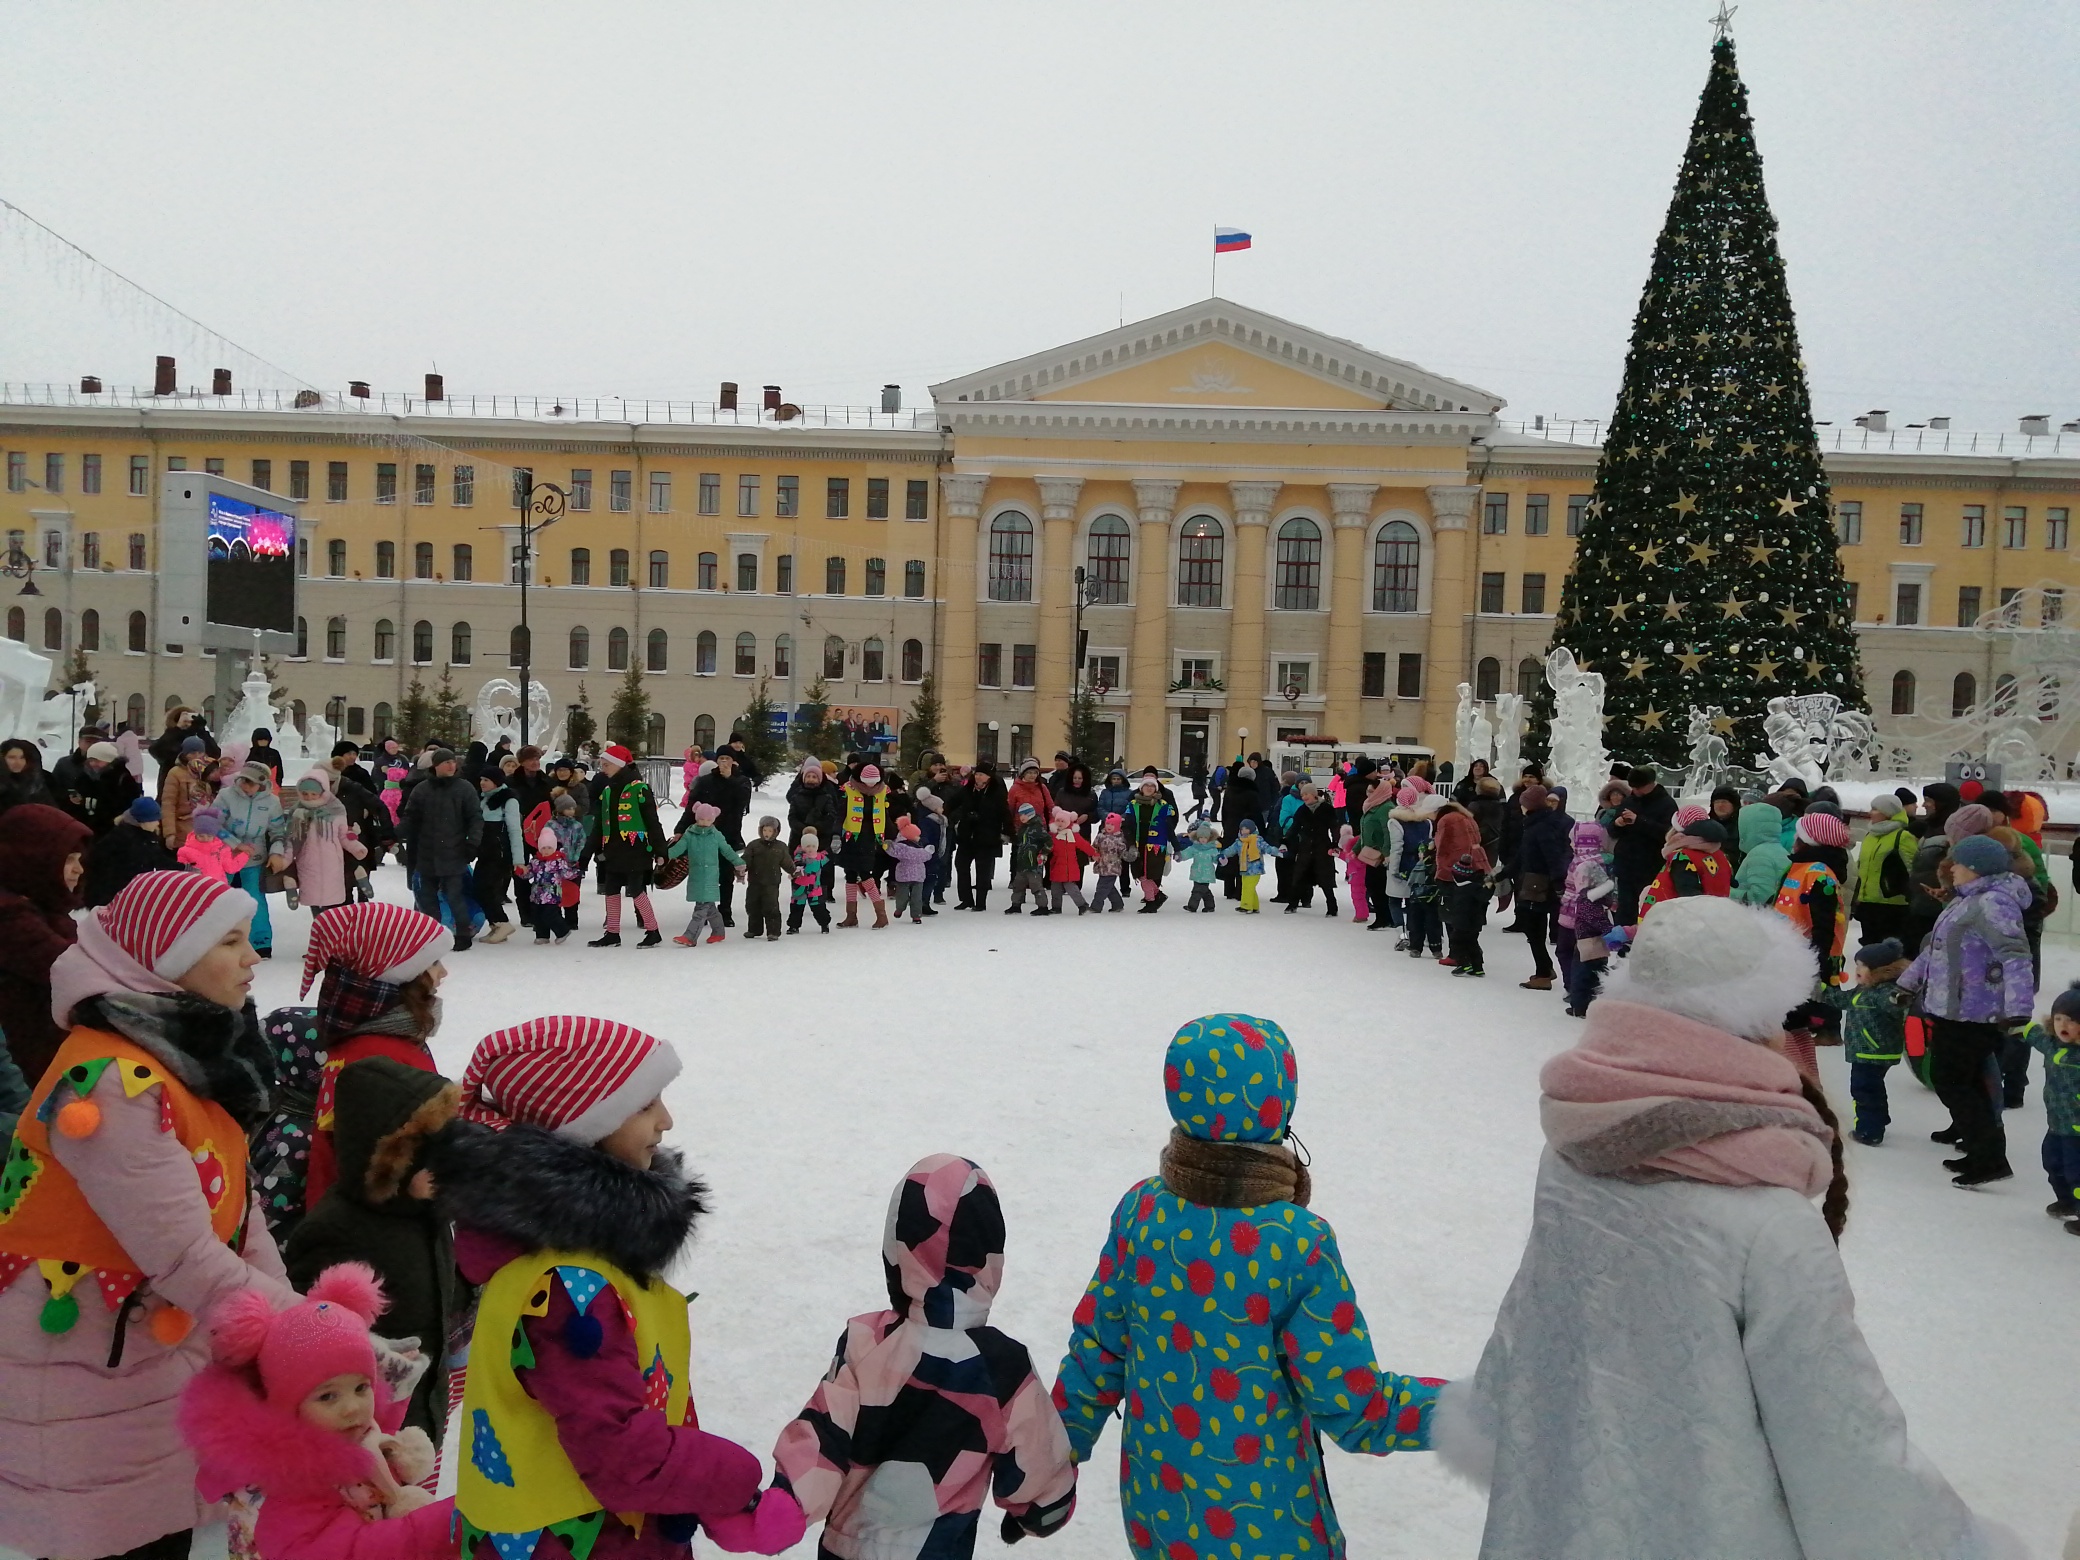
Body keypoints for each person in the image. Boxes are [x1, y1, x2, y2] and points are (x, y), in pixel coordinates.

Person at [1437, 896, 2018, 1560]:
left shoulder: (1578, 1150)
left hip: (1561, 1505)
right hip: (1709, 1524)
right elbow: (1837, 1431)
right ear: (1755, 1026)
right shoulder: (1766, 1222)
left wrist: (1495, 1411)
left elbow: (1536, 1309)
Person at [1056, 1014, 1442, 1559]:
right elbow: (1357, 1409)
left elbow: (1097, 1350)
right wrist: (1477, 1409)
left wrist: (1050, 1459)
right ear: (1279, 1103)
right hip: (1272, 1528)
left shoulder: (1142, 1212)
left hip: (1158, 1518)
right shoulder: (1295, 1243)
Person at [0, 871, 292, 1560]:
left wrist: (301, 1324)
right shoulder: (113, 1077)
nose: (252, 957)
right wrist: (306, 1333)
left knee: (164, 1526)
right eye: (228, 941)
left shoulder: (188, 1060)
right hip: (86, 1370)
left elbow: (238, 1216)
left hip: (151, 1352)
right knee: (115, 1539)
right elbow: (185, 1254)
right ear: (165, 958)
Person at [434, 1016, 777, 1560]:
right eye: (644, 1106)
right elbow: (620, 1455)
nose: (667, 1121)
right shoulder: (570, 1289)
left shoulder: (571, 1254)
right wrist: (732, 1478)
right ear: (580, 1129)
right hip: (581, 1539)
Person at [772, 1155, 1076, 1558]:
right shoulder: (1002, 1369)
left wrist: (785, 1504)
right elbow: (1039, 1464)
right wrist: (1040, 1513)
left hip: (848, 1548)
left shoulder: (867, 1342)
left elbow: (823, 1435)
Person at [178, 1264, 452, 1560]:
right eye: (327, 1396)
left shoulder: (354, 1440)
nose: (352, 1407)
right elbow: (351, 1551)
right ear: (289, 1407)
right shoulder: (287, 1488)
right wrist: (452, 1521)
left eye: (361, 1387)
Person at [283, 1058, 462, 1441]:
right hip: (362, 1427)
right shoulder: (337, 1230)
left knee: (415, 1498)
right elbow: (307, 1344)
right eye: (424, 1149)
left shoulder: (426, 1214)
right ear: (388, 1159)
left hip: (422, 1410)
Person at [1898, 831, 2035, 1189]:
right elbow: (1934, 951)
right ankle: (1982, 1153)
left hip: (1976, 1011)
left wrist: (2018, 1008)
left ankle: (1989, 1157)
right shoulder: (1966, 899)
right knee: (1966, 1080)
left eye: (1958, 862)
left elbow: (2015, 956)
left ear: (1975, 868)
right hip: (1951, 1006)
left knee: (1952, 1079)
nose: (1952, 868)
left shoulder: (1993, 904)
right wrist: (1907, 983)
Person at [299, 902, 454, 1210]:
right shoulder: (379, 1056)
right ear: (396, 973)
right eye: (433, 962)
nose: (444, 973)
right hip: (371, 1232)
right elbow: (381, 1169)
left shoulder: (371, 1041)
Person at [0, 802, 93, 1091]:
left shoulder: (43, 908)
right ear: (35, 859)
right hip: (29, 1074)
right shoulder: (10, 918)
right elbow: (73, 969)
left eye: (79, 859)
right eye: (67, 860)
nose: (78, 869)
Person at [1814, 939, 1913, 1146]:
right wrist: (1818, 988)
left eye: (1862, 966)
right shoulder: (1862, 990)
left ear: (1881, 971)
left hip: (1874, 1050)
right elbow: (1840, 1000)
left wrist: (1898, 999)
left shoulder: (1884, 991)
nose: (1857, 969)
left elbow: (1894, 1001)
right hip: (1867, 1050)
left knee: (1864, 1089)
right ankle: (1877, 1119)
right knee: (1872, 1087)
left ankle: (1869, 1131)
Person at [587, 744, 665, 948]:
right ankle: (612, 932)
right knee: (611, 889)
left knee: (636, 889)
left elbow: (652, 821)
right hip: (613, 849)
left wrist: (660, 851)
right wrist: (586, 853)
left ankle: (653, 930)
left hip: (635, 848)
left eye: (606, 764)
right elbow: (599, 825)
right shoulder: (607, 791)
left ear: (619, 765)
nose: (603, 769)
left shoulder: (640, 789)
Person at [219, 760, 290, 959]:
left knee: (255, 898)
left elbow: (278, 832)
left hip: (254, 856)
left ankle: (261, 942)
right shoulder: (226, 796)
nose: (245, 786)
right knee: (221, 897)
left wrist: (276, 852)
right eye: (243, 780)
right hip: (226, 854)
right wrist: (234, 844)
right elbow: (213, 824)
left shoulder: (271, 802)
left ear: (262, 783)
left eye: (251, 783)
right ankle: (217, 938)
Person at [1510, 785, 1572, 991]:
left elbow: (1553, 856)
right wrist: (1502, 873)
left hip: (1540, 884)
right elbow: (1521, 856)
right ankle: (1544, 969)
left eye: (1523, 804)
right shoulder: (1536, 824)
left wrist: (1558, 884)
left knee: (1534, 929)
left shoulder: (1541, 827)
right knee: (1532, 928)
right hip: (1534, 882)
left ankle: (1544, 973)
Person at [285, 769, 369, 920]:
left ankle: (336, 940)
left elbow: (343, 835)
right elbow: (291, 839)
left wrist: (357, 847)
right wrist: (285, 858)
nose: (309, 798)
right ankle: (321, 937)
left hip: (332, 865)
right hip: (308, 864)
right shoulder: (296, 813)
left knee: (335, 912)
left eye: (313, 794)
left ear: (323, 792)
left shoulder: (336, 810)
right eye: (305, 794)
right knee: (317, 910)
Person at [2029, 983, 2080, 1228]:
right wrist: (2017, 1025)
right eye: (2058, 1018)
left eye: (2070, 1020)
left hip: (2078, 1129)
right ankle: (2067, 1200)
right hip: (2057, 1123)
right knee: (2052, 1162)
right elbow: (2035, 1035)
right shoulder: (2054, 1046)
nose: (2063, 1025)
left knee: (2077, 1173)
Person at [1557, 820, 1616, 1017]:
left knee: (1576, 958)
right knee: (1586, 959)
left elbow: (1585, 895)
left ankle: (1578, 997)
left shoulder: (1583, 864)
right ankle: (1580, 996)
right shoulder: (1600, 861)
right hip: (1586, 917)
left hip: (1576, 915)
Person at [666, 801, 744, 947]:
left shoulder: (716, 835)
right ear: (696, 818)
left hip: (710, 876)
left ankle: (690, 937)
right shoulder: (689, 834)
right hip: (696, 875)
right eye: (701, 819)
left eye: (708, 820)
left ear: (713, 819)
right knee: (709, 907)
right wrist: (664, 856)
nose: (704, 822)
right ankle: (718, 932)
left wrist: (738, 862)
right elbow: (678, 849)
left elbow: (727, 850)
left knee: (701, 908)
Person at [688, 749, 753, 926]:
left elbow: (742, 802)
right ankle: (705, 911)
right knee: (705, 875)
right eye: (721, 758)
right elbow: (692, 806)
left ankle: (725, 912)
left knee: (725, 876)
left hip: (729, 834)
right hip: (705, 834)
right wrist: (681, 829)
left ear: (734, 761)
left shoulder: (742, 781)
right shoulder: (706, 780)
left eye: (728, 758)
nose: (724, 762)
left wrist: (730, 779)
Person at [1607, 764, 1677, 924]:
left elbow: (1668, 833)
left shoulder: (1666, 804)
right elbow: (1612, 830)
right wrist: (1618, 824)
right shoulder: (1630, 800)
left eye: (1639, 787)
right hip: (1626, 866)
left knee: (1648, 908)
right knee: (1625, 908)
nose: (1636, 791)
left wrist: (1639, 821)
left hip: (1650, 866)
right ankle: (1623, 940)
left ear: (1651, 784)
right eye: (1633, 787)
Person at [837, 762, 902, 929]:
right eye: (868, 781)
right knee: (850, 874)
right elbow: (840, 813)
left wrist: (891, 836)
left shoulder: (881, 792)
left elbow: (885, 816)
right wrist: (836, 835)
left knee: (866, 874)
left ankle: (881, 915)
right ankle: (851, 916)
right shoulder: (849, 789)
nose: (872, 784)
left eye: (874, 781)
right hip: (851, 837)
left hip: (869, 838)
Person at [83, 795, 179, 907]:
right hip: (114, 899)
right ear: (142, 820)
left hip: (129, 894)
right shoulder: (124, 839)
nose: (158, 823)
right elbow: (104, 868)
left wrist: (184, 868)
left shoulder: (145, 835)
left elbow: (157, 858)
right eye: (154, 819)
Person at [1436, 794, 1491, 975]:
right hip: (1476, 865)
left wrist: (1443, 869)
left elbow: (1444, 847)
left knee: (1457, 931)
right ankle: (1477, 966)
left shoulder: (1447, 820)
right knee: (1472, 939)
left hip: (1456, 865)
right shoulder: (1466, 817)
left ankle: (1461, 960)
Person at [1854, 793, 1918, 947]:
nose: (1871, 813)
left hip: (1892, 906)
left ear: (1888, 812)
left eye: (1875, 809)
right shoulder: (1870, 835)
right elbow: (1861, 866)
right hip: (1867, 903)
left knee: (1888, 954)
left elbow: (1912, 869)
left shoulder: (1903, 836)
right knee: (1868, 952)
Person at [469, 768, 524, 944]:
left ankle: (502, 923)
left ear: (497, 781)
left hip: (500, 853)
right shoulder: (484, 798)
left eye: (486, 780)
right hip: (485, 852)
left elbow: (515, 831)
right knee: (478, 888)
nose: (482, 783)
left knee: (487, 889)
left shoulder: (508, 799)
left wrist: (518, 860)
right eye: (481, 779)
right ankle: (496, 924)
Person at [950, 761, 1008, 910]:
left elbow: (1004, 813)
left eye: (982, 774)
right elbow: (952, 803)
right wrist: (943, 811)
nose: (978, 777)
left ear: (989, 777)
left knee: (982, 871)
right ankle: (966, 899)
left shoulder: (997, 792)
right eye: (977, 774)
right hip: (966, 836)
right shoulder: (968, 789)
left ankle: (981, 902)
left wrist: (1008, 832)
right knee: (961, 866)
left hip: (986, 837)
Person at [1280, 781, 1340, 915]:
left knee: (1325, 879)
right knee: (1298, 877)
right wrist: (1285, 840)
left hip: (1322, 847)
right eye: (1302, 795)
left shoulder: (1326, 808)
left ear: (1313, 794)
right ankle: (1292, 904)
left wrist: (1336, 843)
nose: (1304, 797)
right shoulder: (1302, 810)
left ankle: (1332, 907)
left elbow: (1334, 827)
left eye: (1306, 794)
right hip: (1305, 848)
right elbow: (1294, 827)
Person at [1125, 773, 1177, 912]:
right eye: (1146, 785)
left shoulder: (1163, 806)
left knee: (1150, 874)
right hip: (1137, 843)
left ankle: (1151, 901)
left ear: (1156, 789)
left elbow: (1169, 828)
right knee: (1139, 873)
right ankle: (1157, 895)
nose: (1149, 788)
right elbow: (1128, 826)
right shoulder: (1132, 805)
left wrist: (1176, 846)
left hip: (1155, 845)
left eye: (1152, 786)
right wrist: (1129, 844)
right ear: (1141, 788)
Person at [525, 819, 582, 944]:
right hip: (537, 894)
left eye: (549, 847)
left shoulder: (558, 861)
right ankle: (542, 935)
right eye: (543, 848)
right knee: (537, 915)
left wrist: (575, 872)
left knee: (549, 914)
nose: (546, 850)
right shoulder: (536, 861)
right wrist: (522, 872)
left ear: (554, 847)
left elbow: (566, 873)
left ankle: (562, 930)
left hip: (552, 893)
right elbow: (529, 874)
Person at [737, 814, 791, 942]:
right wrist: (740, 868)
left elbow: (787, 862)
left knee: (771, 906)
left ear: (776, 832)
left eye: (770, 831)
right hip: (755, 881)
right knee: (752, 905)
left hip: (771, 882)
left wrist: (794, 871)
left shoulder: (780, 847)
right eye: (765, 830)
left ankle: (773, 931)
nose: (767, 833)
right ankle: (754, 929)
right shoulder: (754, 845)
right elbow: (746, 859)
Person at [1730, 798, 1792, 908]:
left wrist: (1728, 893)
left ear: (1748, 828)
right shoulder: (1781, 851)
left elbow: (1759, 897)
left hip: (1755, 919)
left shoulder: (1759, 856)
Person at [160, 737, 218, 851]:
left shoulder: (211, 770)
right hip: (184, 830)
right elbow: (168, 804)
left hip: (208, 831)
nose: (197, 755)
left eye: (200, 752)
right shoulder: (176, 773)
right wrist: (170, 833)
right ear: (185, 754)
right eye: (192, 752)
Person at [1216, 817, 1280, 914]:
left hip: (1255, 869)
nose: (1244, 831)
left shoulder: (1257, 840)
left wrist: (1277, 851)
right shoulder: (1239, 842)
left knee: (1247, 887)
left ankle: (1246, 906)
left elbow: (1267, 848)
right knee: (1249, 887)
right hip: (1244, 868)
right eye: (1242, 829)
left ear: (1252, 829)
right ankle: (1254, 906)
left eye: (1247, 828)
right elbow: (1231, 850)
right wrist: (1223, 854)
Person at [178, 804, 250, 886]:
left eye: (209, 836)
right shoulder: (185, 851)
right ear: (195, 833)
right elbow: (181, 874)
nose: (205, 839)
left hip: (218, 888)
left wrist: (245, 854)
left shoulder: (222, 849)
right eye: (201, 836)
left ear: (214, 835)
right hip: (196, 888)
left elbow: (230, 867)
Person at [1004, 802, 1049, 913]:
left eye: (1023, 815)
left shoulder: (1038, 829)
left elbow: (1048, 841)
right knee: (1018, 885)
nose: (1021, 817)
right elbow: (1019, 841)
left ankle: (1042, 907)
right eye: (1020, 815)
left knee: (1036, 886)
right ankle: (1016, 905)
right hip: (1022, 863)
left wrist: (1043, 853)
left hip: (1034, 863)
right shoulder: (1023, 828)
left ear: (1030, 814)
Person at [788, 829, 833, 934]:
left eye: (813, 846)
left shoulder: (820, 857)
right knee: (797, 907)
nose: (810, 849)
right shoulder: (799, 857)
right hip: (800, 887)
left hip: (814, 888)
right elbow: (796, 860)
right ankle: (793, 926)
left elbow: (830, 856)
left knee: (818, 907)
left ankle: (824, 924)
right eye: (807, 846)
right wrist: (798, 865)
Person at [0, 737, 54, 819]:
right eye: (12, 757)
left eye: (22, 757)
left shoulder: (38, 784)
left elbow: (53, 814)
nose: (17, 762)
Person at [1176, 819, 1222, 912]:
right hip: (1197, 872)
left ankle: (1192, 906)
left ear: (1209, 838)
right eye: (1201, 837)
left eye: (1205, 837)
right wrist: (1180, 856)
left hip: (1207, 873)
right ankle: (1210, 906)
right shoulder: (1195, 848)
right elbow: (1187, 853)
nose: (1203, 839)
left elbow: (1216, 858)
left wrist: (1221, 860)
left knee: (1197, 890)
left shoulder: (1212, 849)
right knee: (1204, 891)